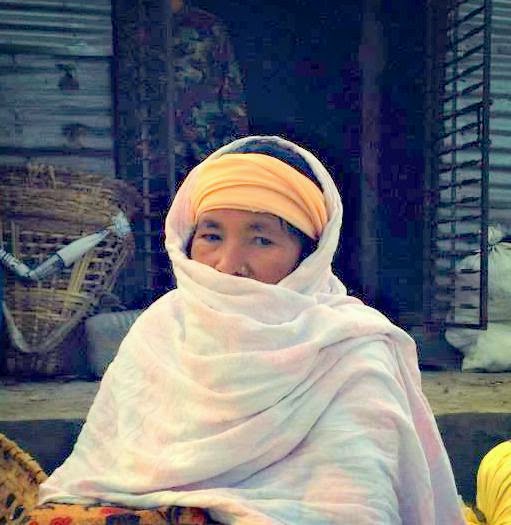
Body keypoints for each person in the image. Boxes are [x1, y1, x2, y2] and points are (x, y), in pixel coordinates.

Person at [38, 135, 466, 524]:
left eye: (261, 240)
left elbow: (351, 506)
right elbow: (103, 471)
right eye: (211, 236)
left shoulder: (351, 350)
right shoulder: (162, 328)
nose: (228, 265)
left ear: (307, 256)